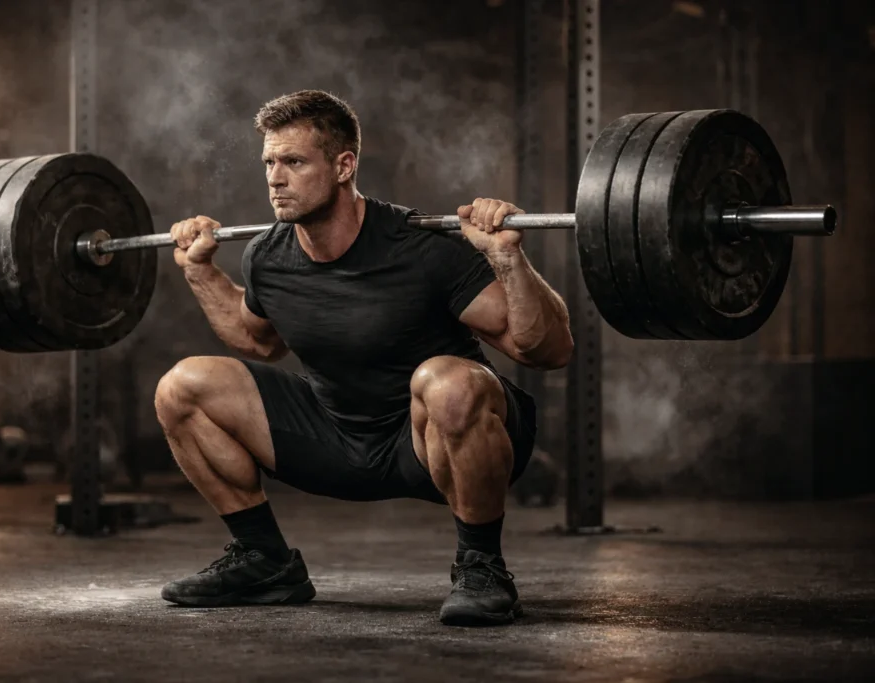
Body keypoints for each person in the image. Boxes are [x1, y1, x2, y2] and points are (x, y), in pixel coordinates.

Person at [154, 90, 572, 627]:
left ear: (344, 164)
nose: (275, 178)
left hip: (429, 443)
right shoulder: (268, 255)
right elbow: (259, 341)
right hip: (335, 437)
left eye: (294, 162)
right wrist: (200, 273)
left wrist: (508, 257)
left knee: (447, 379)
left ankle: (482, 568)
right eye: (269, 163)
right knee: (182, 386)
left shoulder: (423, 248)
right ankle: (264, 560)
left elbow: (547, 350)